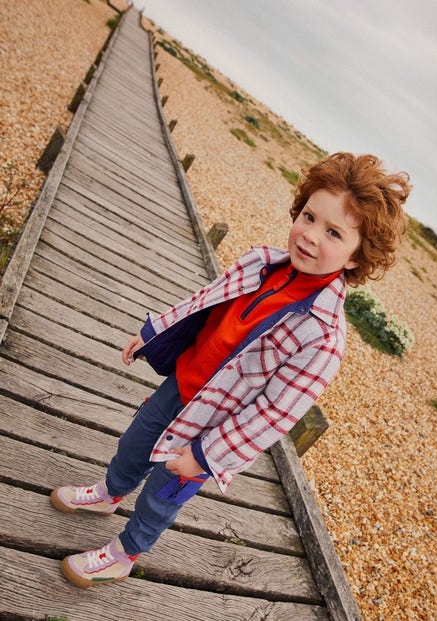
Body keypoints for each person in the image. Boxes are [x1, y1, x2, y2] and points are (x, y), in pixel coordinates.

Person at [51, 152, 411, 588]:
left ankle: (125, 553)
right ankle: (109, 493)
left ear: (356, 257)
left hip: (208, 429)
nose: (311, 236)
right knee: (132, 445)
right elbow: (201, 303)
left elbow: (273, 414)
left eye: (334, 232)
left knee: (163, 494)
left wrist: (207, 455)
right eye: (310, 217)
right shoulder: (260, 262)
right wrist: (152, 333)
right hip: (180, 386)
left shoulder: (323, 337)